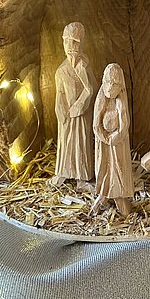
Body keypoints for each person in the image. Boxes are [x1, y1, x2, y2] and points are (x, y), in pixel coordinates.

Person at [52, 22, 95, 188]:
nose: (70, 46)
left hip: (81, 114)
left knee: (81, 144)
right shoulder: (61, 71)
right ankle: (63, 173)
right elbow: (59, 93)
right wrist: (60, 109)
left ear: (82, 43)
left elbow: (91, 88)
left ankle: (81, 178)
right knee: (65, 143)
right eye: (66, 41)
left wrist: (80, 105)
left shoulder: (84, 66)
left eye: (75, 41)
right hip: (66, 115)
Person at [92, 63, 134, 217]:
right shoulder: (101, 97)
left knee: (118, 169)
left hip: (117, 144)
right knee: (104, 169)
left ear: (120, 85)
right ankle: (104, 193)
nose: (110, 87)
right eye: (108, 82)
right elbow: (96, 124)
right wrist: (104, 137)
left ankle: (118, 196)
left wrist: (115, 137)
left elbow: (124, 123)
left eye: (115, 84)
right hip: (103, 143)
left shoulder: (121, 99)